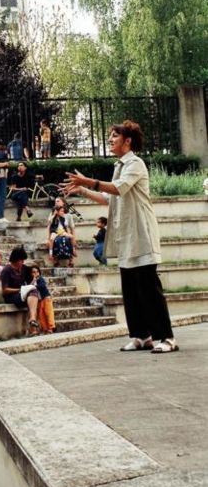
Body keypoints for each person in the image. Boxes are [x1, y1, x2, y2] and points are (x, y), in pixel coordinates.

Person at [63, 119, 178, 354]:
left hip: (141, 235)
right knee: (131, 291)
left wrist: (88, 181)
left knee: (149, 289)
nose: (110, 140)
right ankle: (141, 335)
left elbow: (118, 189)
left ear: (128, 141)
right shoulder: (119, 166)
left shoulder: (135, 163)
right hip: (126, 238)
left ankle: (166, 338)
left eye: (115, 136)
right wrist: (84, 190)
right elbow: (110, 199)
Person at [1, 247, 40, 336]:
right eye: (21, 260)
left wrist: (34, 278)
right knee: (32, 295)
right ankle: (33, 326)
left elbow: (34, 275)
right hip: (12, 296)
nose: (22, 262)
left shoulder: (24, 269)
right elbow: (5, 290)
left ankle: (32, 321)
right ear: (15, 260)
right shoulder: (6, 271)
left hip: (25, 294)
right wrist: (20, 289)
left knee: (34, 293)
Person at [28, 264, 55, 333]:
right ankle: (45, 328)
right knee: (41, 314)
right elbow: (29, 287)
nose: (36, 273)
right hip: (39, 300)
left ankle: (50, 327)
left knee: (48, 313)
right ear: (30, 273)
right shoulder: (32, 281)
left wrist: (35, 285)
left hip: (46, 298)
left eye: (37, 272)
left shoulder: (40, 279)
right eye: (33, 272)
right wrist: (33, 281)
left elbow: (42, 285)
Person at [47, 202, 76, 267]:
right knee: (51, 239)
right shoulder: (53, 218)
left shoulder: (63, 218)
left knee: (71, 237)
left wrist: (67, 233)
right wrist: (54, 215)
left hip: (62, 231)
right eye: (61, 211)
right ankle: (51, 254)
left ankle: (73, 250)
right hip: (55, 232)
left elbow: (65, 227)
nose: (63, 213)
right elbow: (49, 222)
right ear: (57, 212)